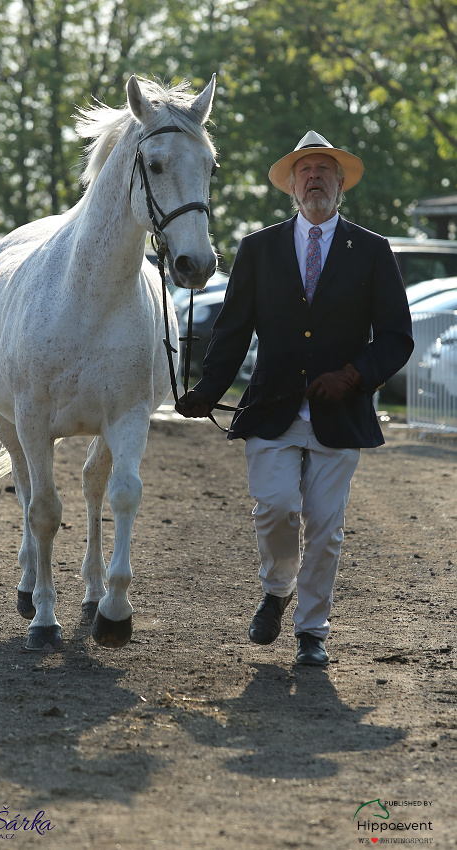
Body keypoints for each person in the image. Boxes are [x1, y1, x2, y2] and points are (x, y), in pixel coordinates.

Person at [176, 130, 414, 666]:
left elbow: (397, 337)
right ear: (290, 185)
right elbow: (233, 331)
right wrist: (207, 392)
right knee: (277, 508)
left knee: (326, 527)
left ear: (339, 183)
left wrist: (352, 376)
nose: (314, 178)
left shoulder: (373, 252)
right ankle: (278, 588)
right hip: (271, 410)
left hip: (341, 413)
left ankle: (312, 631)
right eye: (304, 170)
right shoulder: (258, 249)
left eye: (324, 170)